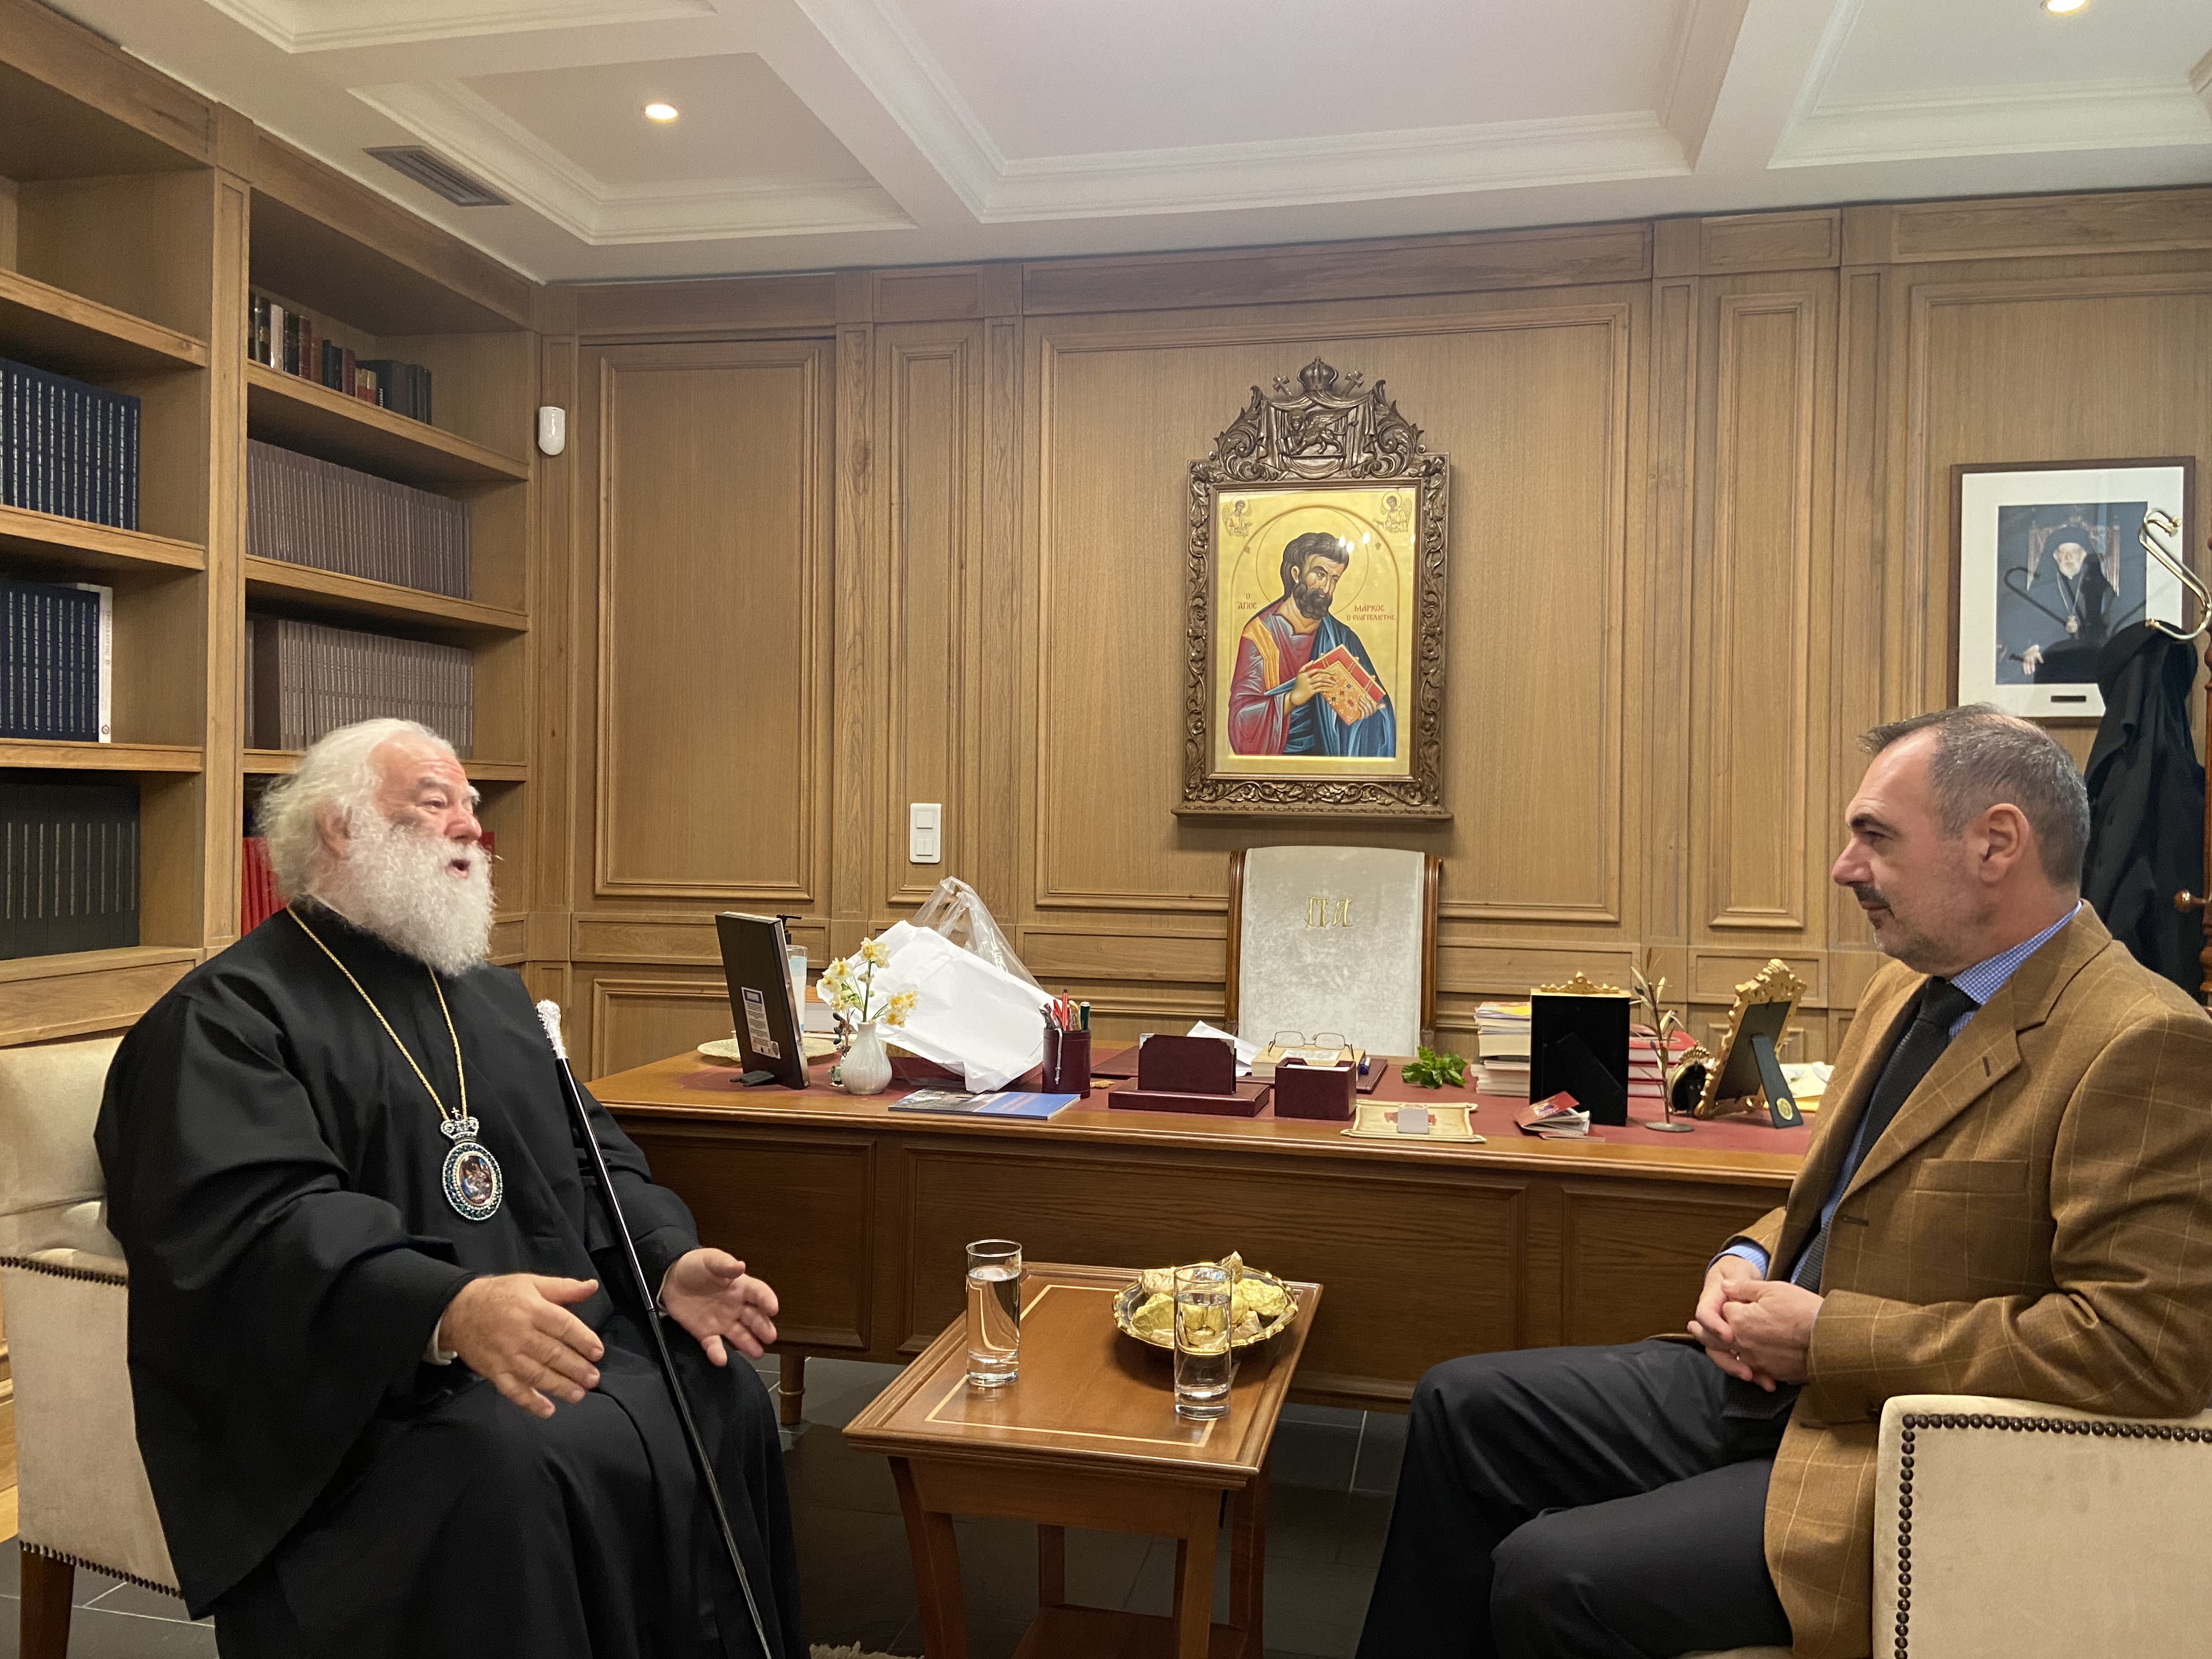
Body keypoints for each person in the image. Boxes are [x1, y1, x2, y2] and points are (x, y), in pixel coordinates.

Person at [1355, 705, 2212, 1659]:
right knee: (1458, 1405)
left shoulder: (2141, 1039)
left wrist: (1827, 1336)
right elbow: (1842, 1197)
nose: (1845, 867)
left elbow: (2144, 1348)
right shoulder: (1908, 984)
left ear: (1996, 843)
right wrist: (1750, 1254)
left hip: (1891, 1449)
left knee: (1549, 1573)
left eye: (1875, 837)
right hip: (1765, 1384)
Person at [97, 718, 807, 1659]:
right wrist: (447, 1306)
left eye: (472, 806)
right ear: (340, 827)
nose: (473, 825)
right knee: (520, 1455)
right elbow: (260, 1225)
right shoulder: (227, 1018)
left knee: (721, 1394)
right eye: (436, 803)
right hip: (368, 1402)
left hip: (548, 1343)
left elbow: (594, 1160)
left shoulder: (493, 999)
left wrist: (665, 1258)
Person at [1226, 529, 1396, 757]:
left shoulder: (1342, 637)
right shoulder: (1260, 636)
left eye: (1334, 579)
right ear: (1297, 574)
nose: (1326, 589)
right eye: (1320, 574)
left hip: (1332, 762)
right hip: (1279, 764)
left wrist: (1368, 715)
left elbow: (1381, 711)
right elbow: (1241, 723)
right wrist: (1292, 698)